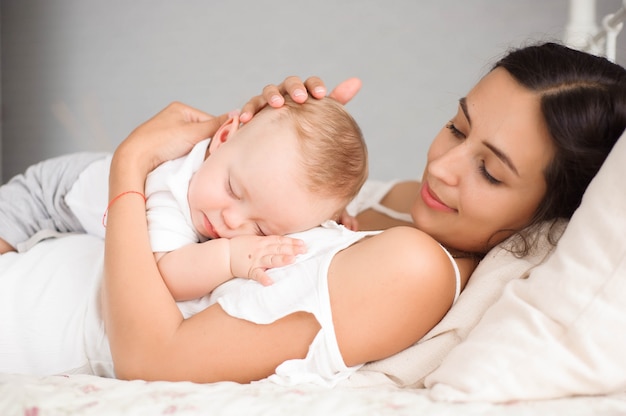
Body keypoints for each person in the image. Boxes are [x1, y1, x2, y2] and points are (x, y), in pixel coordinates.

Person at [99, 42, 626, 384]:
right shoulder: (399, 205)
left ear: (550, 212)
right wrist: (270, 142)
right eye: (458, 128)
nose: (443, 167)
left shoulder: (413, 268)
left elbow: (151, 362)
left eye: (490, 172)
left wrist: (132, 163)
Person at [0, 96, 368, 300]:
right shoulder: (171, 189)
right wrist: (230, 256)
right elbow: (167, 276)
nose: (232, 221)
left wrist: (335, 216)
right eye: (233, 191)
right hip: (45, 199)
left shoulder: (240, 173)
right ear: (222, 139)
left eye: (260, 227)